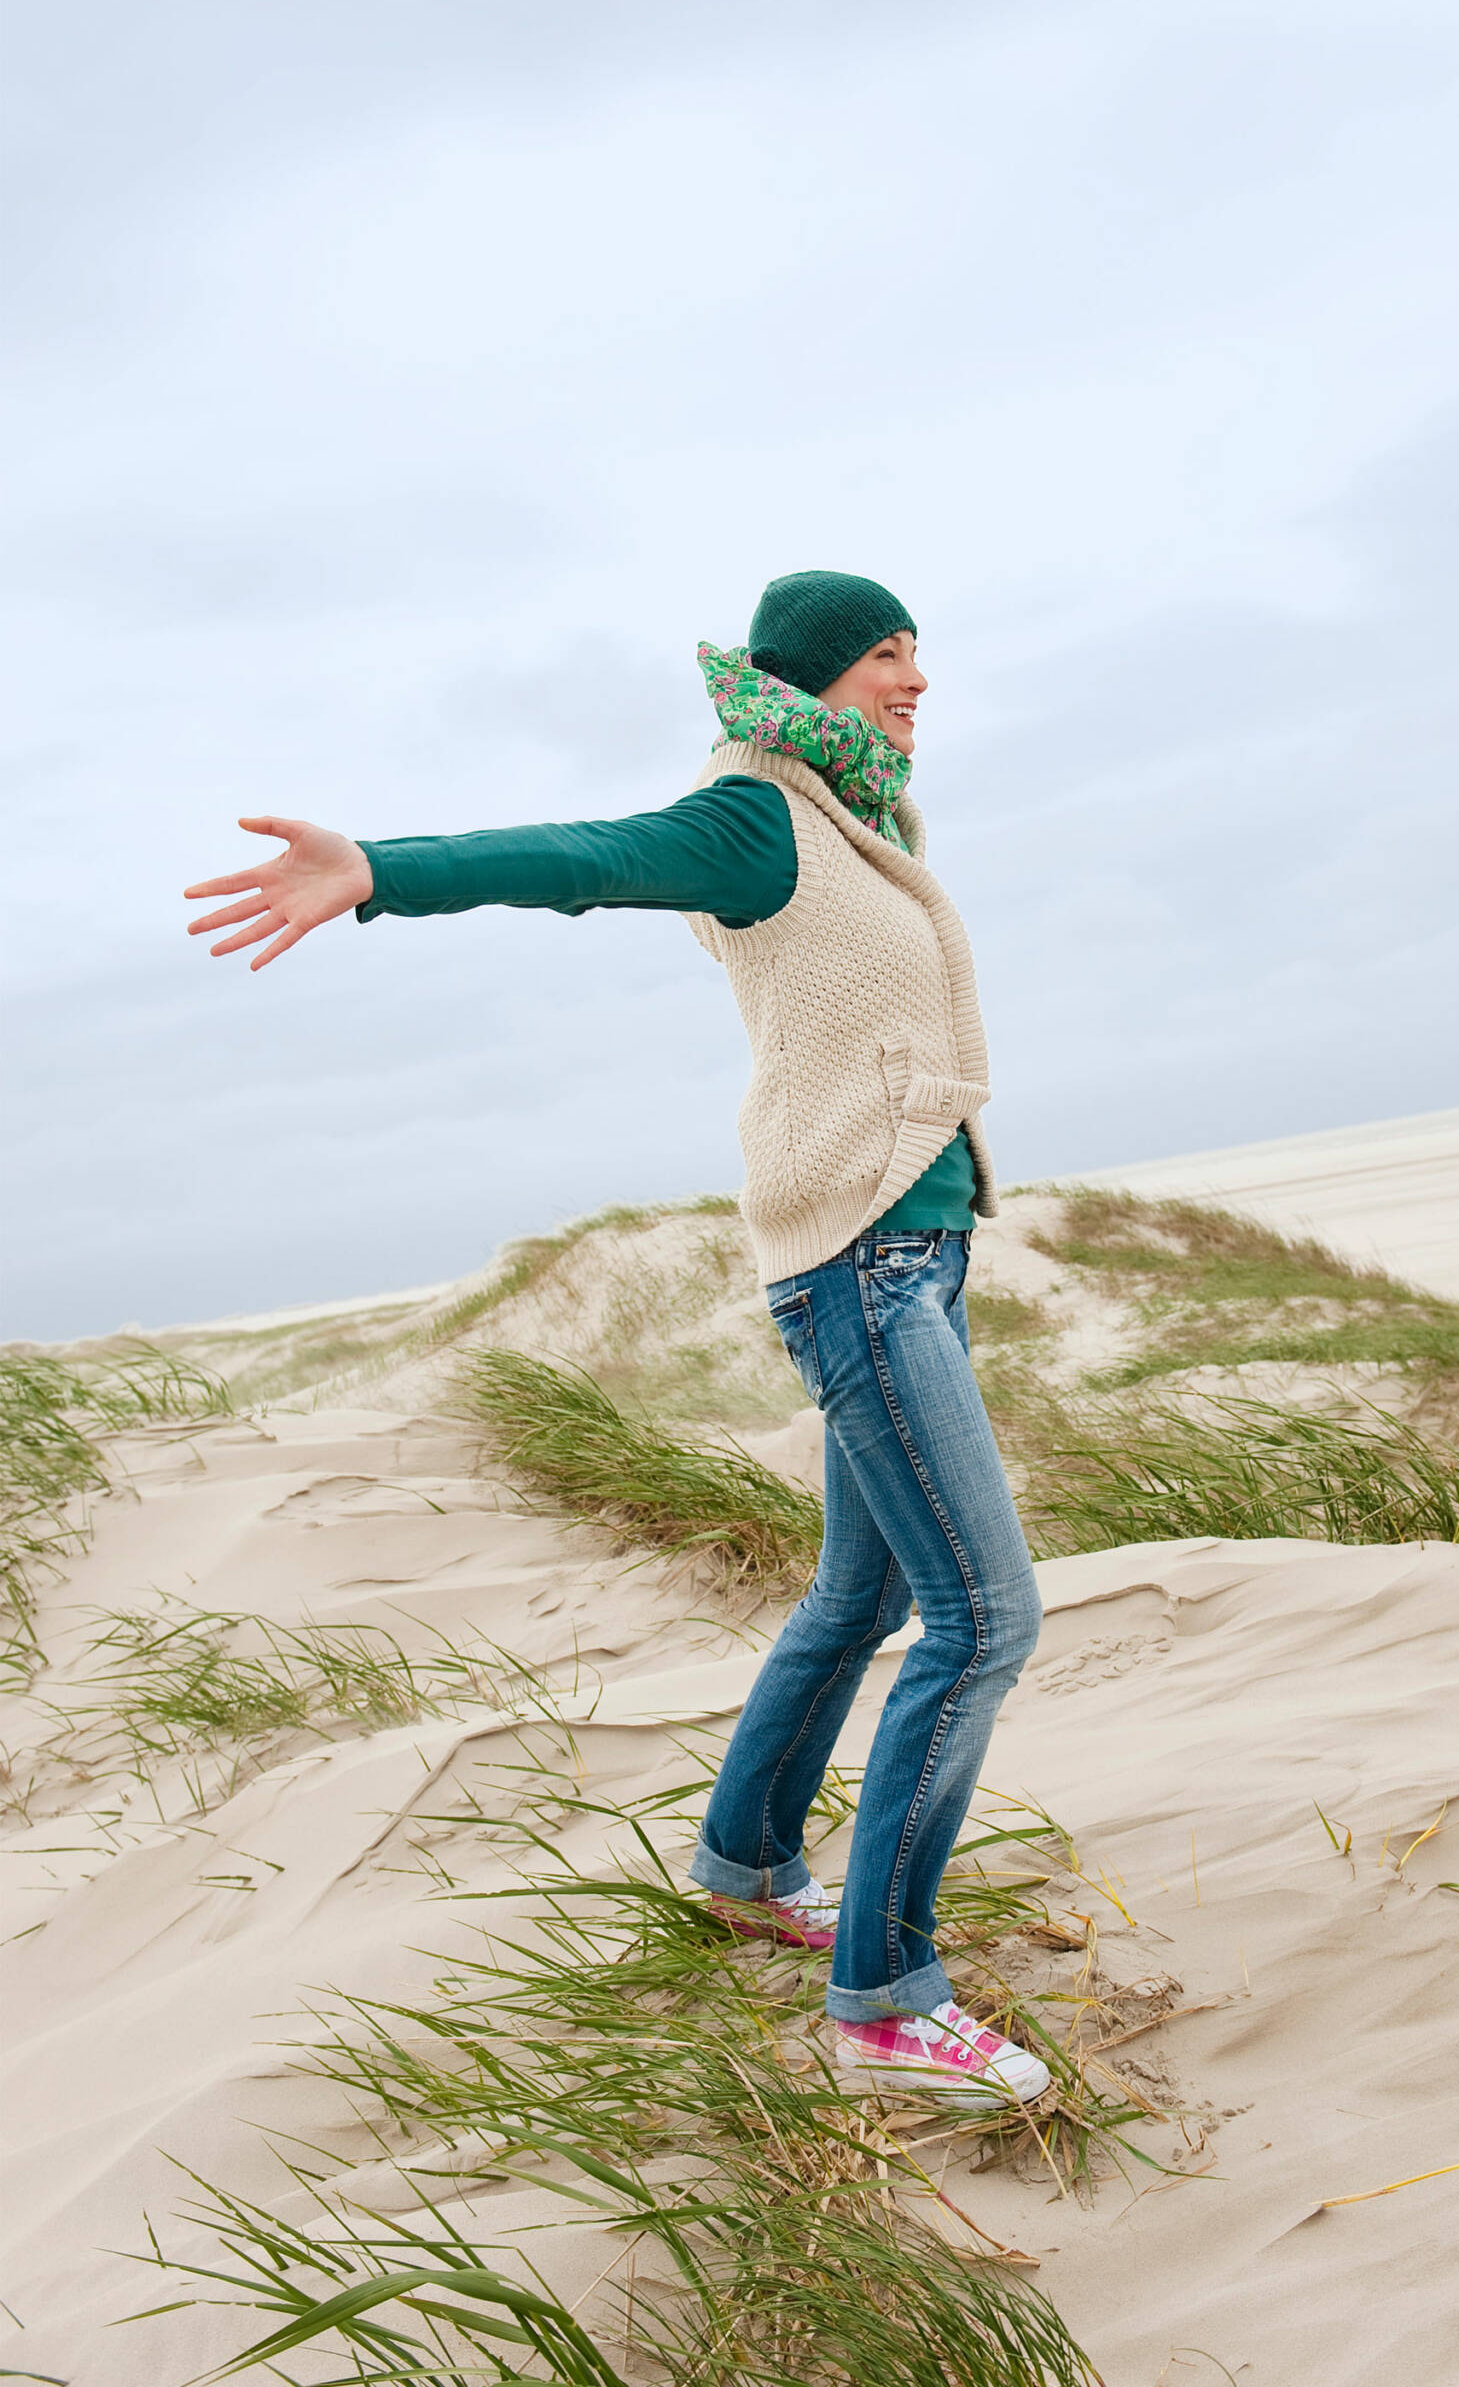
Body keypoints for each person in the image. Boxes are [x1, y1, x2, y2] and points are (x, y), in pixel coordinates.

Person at [186, 568, 1048, 2103]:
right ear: (810, 678)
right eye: (886, 658)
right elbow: (584, 854)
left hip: (916, 1251)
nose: (917, 684)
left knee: (858, 1591)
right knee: (981, 1621)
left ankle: (743, 1863)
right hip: (862, 1261)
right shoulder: (755, 815)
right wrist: (377, 867)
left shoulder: (859, 822)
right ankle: (886, 1999)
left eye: (923, 657)